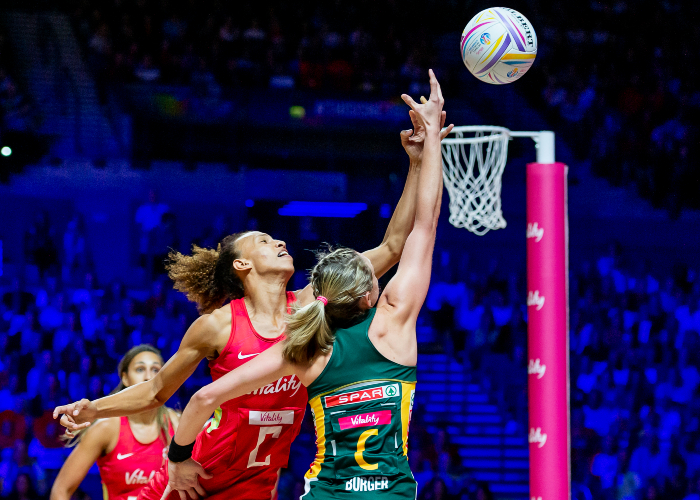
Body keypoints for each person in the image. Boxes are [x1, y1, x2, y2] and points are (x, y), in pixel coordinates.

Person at [54, 95, 453, 500]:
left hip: (257, 483)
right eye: (263, 241)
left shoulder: (314, 306)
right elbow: (159, 390)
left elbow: (393, 246)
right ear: (242, 266)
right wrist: (95, 409)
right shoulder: (219, 325)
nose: (279, 240)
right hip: (197, 474)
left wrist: (417, 163)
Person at [162, 69, 448, 500]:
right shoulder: (395, 322)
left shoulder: (302, 347)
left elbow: (202, 398)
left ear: (323, 294)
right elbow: (423, 228)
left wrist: (178, 456)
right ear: (372, 294)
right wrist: (431, 148)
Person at [50, 345, 178, 500]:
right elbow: (60, 490)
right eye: (140, 369)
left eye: (156, 370)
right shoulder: (106, 428)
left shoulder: (178, 423)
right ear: (124, 377)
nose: (148, 377)